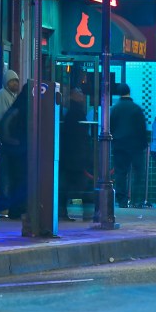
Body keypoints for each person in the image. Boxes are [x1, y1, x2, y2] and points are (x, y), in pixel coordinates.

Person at [110, 83, 148, 207]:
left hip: (119, 145)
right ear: (129, 92)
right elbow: (142, 128)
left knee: (120, 173)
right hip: (136, 146)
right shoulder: (136, 108)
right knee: (138, 173)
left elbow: (110, 127)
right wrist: (144, 144)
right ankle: (136, 200)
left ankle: (122, 201)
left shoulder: (115, 109)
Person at [0, 82, 29, 218]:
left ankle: (15, 207)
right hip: (19, 149)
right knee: (20, 180)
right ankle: (17, 208)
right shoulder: (23, 107)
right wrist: (12, 141)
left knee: (15, 180)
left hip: (15, 149)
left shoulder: (17, 105)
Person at [58, 87, 91, 220]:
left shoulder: (70, 111)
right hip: (75, 156)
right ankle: (87, 213)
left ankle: (62, 212)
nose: (82, 95)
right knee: (80, 186)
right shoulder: (76, 112)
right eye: (79, 93)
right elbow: (79, 135)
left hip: (70, 156)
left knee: (67, 186)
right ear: (72, 96)